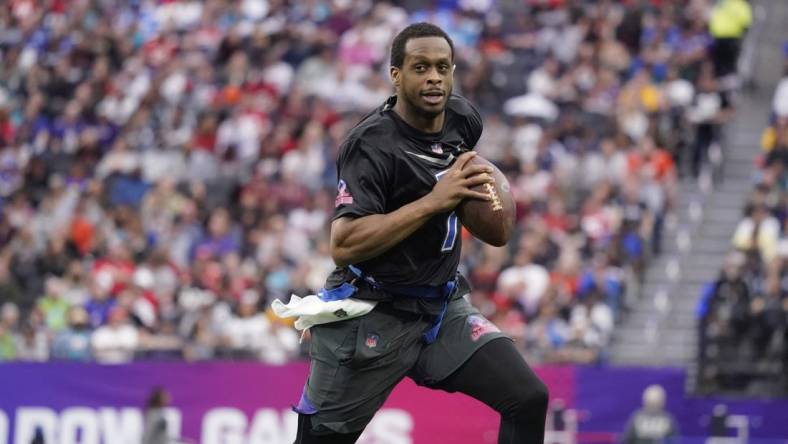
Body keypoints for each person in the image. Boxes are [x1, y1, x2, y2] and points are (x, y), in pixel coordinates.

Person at [290, 23, 548, 444]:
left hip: (441, 308)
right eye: (421, 67)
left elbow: (485, 214)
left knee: (528, 397)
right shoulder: (370, 144)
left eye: (443, 68)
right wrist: (434, 200)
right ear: (396, 75)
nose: (434, 78)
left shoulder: (463, 119)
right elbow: (344, 244)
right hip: (371, 312)